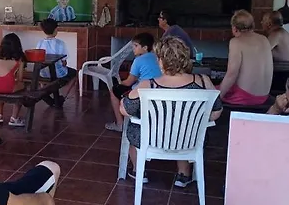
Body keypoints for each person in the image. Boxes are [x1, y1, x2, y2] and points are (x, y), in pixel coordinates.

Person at [120, 37, 222, 187]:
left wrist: (123, 101)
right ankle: (184, 174)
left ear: (161, 61)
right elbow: (216, 112)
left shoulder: (149, 84)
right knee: (184, 128)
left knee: (134, 127)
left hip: (152, 139)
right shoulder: (203, 81)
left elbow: (126, 110)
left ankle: (138, 171)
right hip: (190, 139)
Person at [105, 33, 161, 132]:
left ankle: (120, 124)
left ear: (145, 48)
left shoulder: (138, 60)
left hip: (142, 94)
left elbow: (129, 82)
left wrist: (119, 83)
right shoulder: (157, 57)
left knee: (113, 91)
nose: (133, 48)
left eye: (136, 46)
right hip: (158, 91)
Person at [219, 10, 273, 106]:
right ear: (253, 25)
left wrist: (217, 98)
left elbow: (231, 74)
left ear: (234, 28)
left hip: (246, 98)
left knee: (211, 90)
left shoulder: (236, 42)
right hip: (264, 96)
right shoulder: (264, 39)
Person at [36, 18, 77, 107]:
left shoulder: (40, 43)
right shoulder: (60, 43)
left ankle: (45, 92)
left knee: (43, 75)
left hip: (43, 73)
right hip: (58, 73)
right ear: (55, 30)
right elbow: (64, 63)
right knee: (75, 74)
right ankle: (63, 97)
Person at [0, 33, 26, 127]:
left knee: (0, 90)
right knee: (22, 87)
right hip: (8, 86)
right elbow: (20, 78)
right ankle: (14, 118)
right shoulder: (19, 59)